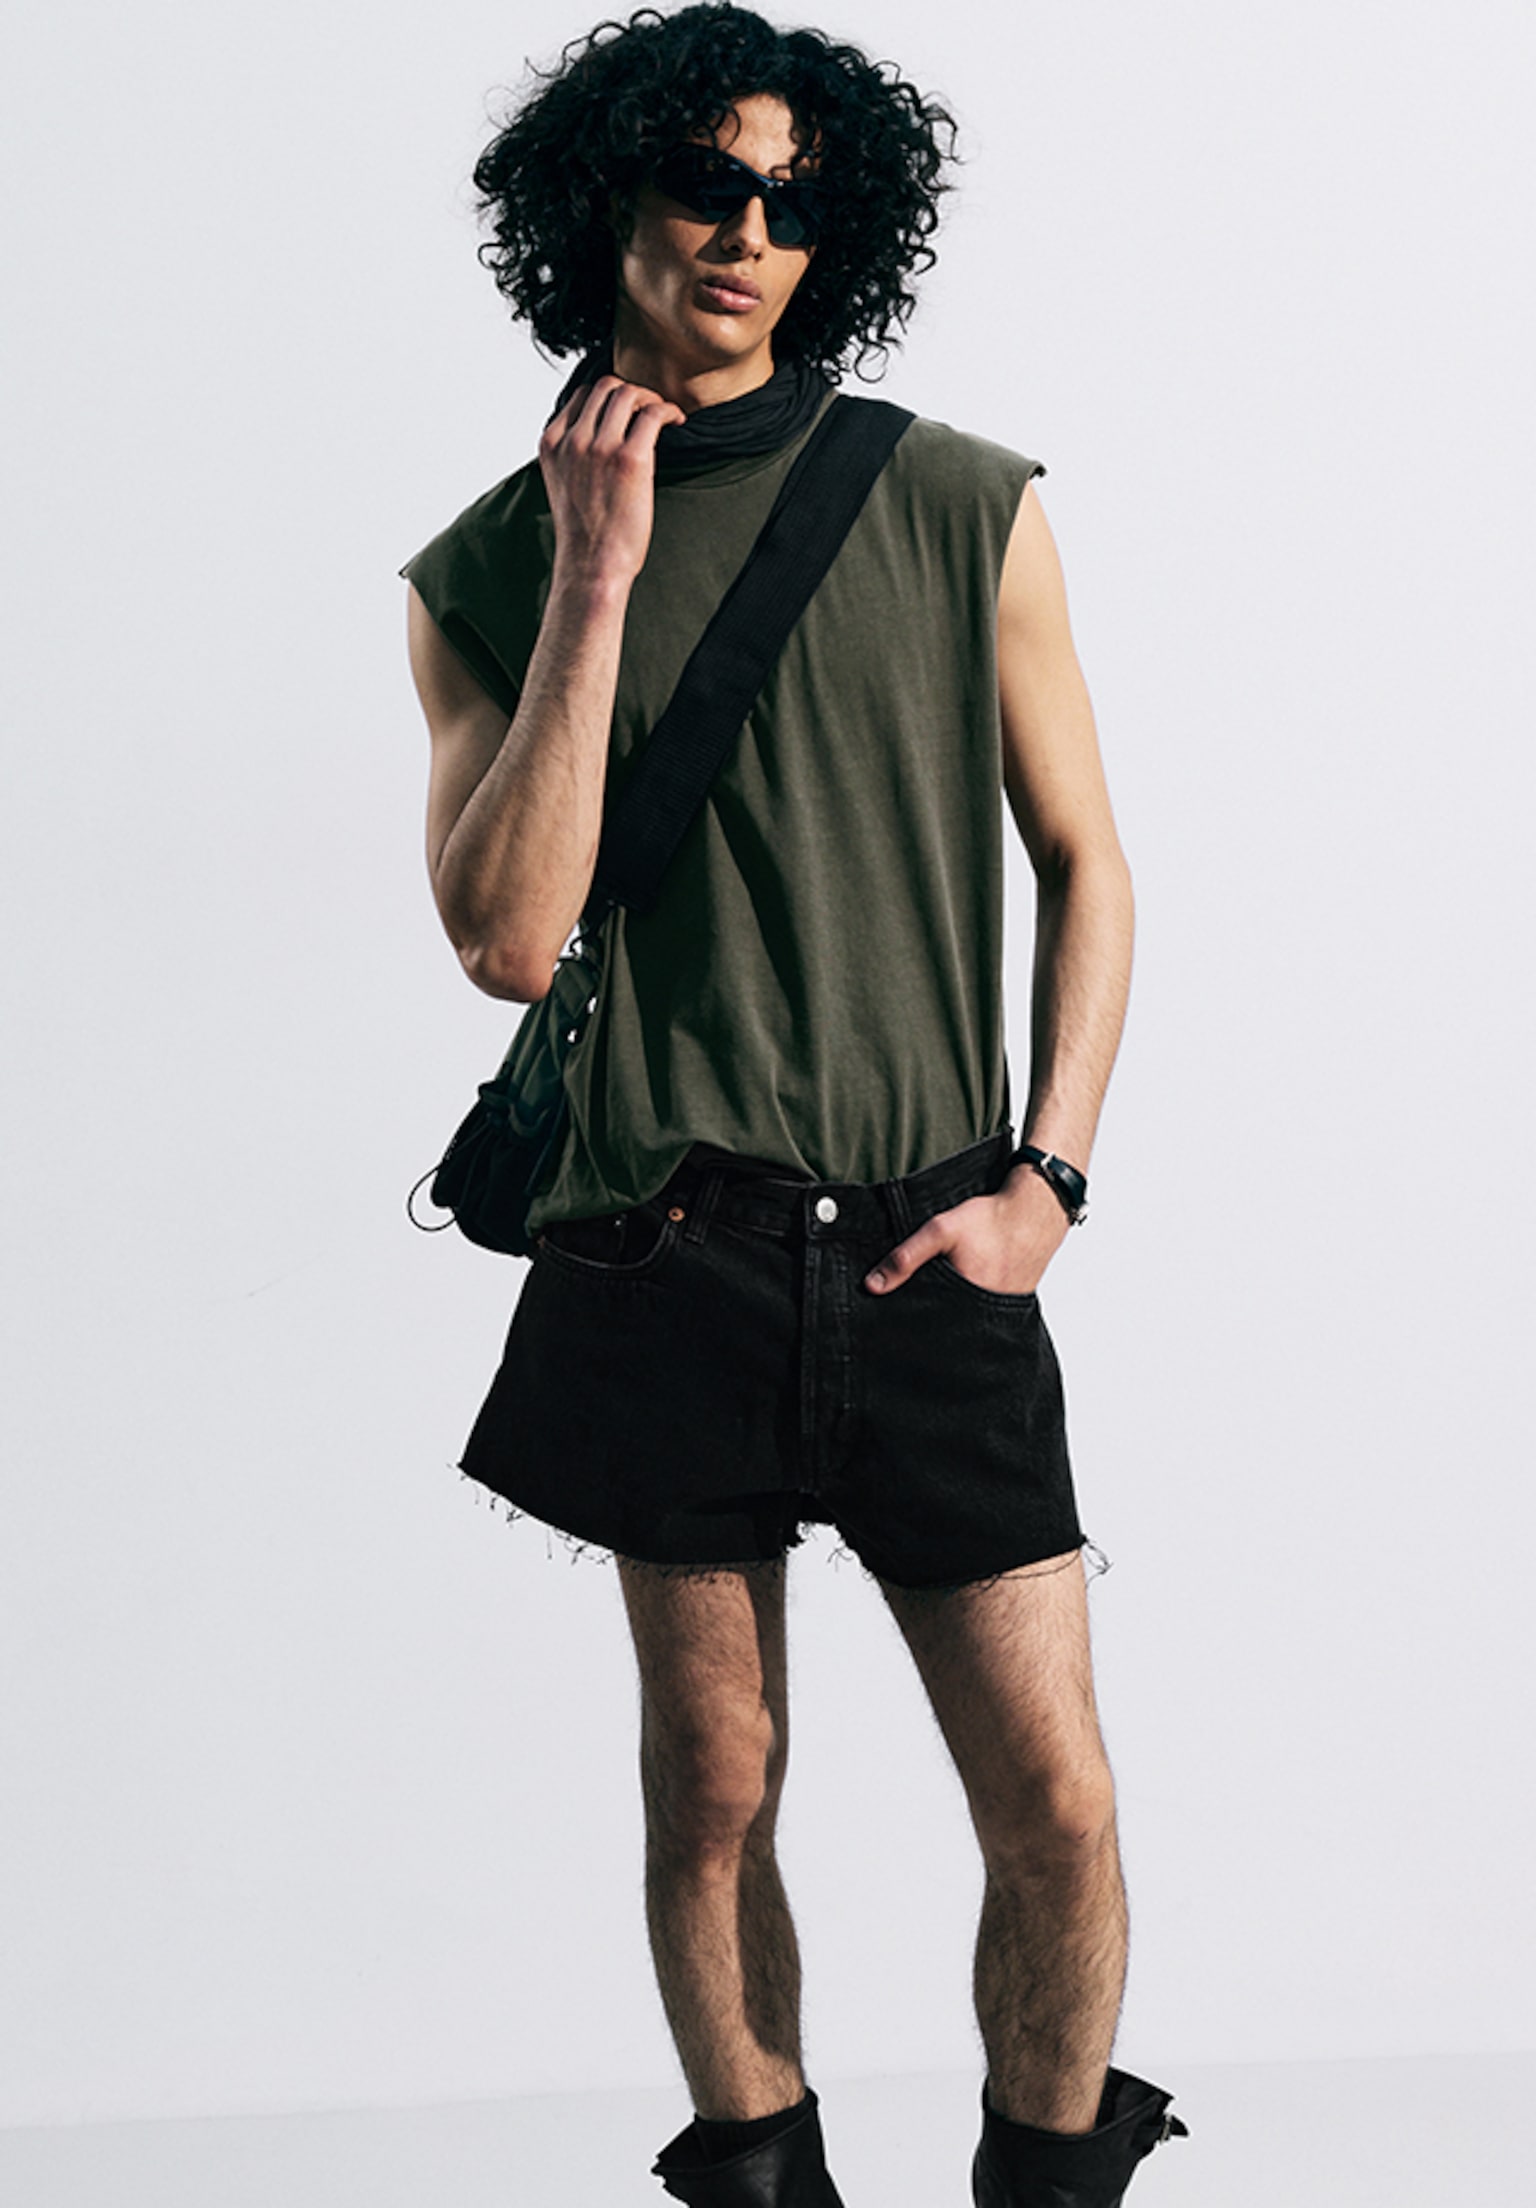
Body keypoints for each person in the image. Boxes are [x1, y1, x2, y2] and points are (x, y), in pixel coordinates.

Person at [400, 6, 1186, 2202]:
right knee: (717, 1789)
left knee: (1056, 1800)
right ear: (608, 208)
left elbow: (1090, 860)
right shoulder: (482, 570)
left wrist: (1051, 1175)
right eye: (705, 183)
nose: (748, 231)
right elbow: (507, 939)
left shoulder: (958, 501)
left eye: (794, 199)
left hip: (936, 1237)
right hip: (671, 1245)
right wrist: (596, 569)